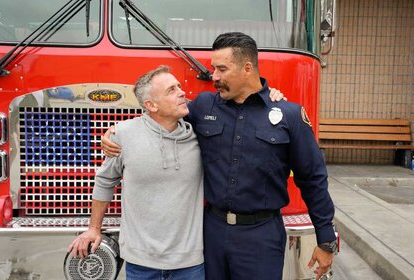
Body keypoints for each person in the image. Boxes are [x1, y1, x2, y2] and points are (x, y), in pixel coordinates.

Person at [103, 32, 336, 280]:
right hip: (211, 233)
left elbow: (313, 179)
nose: (213, 77)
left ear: (247, 68)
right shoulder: (203, 106)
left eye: (221, 69)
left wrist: (325, 240)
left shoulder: (288, 115)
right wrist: (117, 131)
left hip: (261, 237)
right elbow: (161, 115)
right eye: (213, 68)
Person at [68, 65, 206, 279]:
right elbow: (105, 180)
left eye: (179, 86)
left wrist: (273, 96)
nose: (182, 92)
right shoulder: (123, 134)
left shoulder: (202, 137)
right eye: (171, 90)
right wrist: (94, 228)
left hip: (190, 263)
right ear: (151, 105)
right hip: (140, 263)